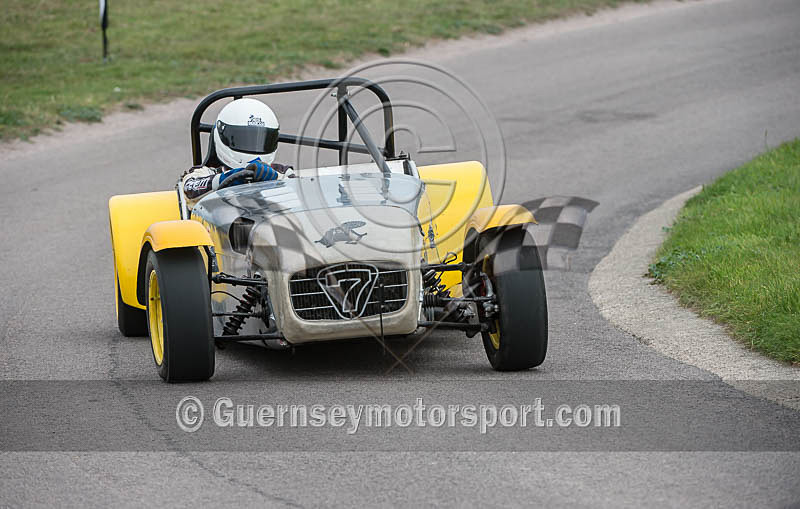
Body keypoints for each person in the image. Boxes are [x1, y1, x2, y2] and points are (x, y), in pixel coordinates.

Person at [180, 98, 294, 210]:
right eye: (244, 140)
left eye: (260, 141)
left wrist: (275, 181)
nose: (253, 147)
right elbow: (189, 189)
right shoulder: (207, 173)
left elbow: (300, 196)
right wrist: (228, 178)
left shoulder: (282, 173)